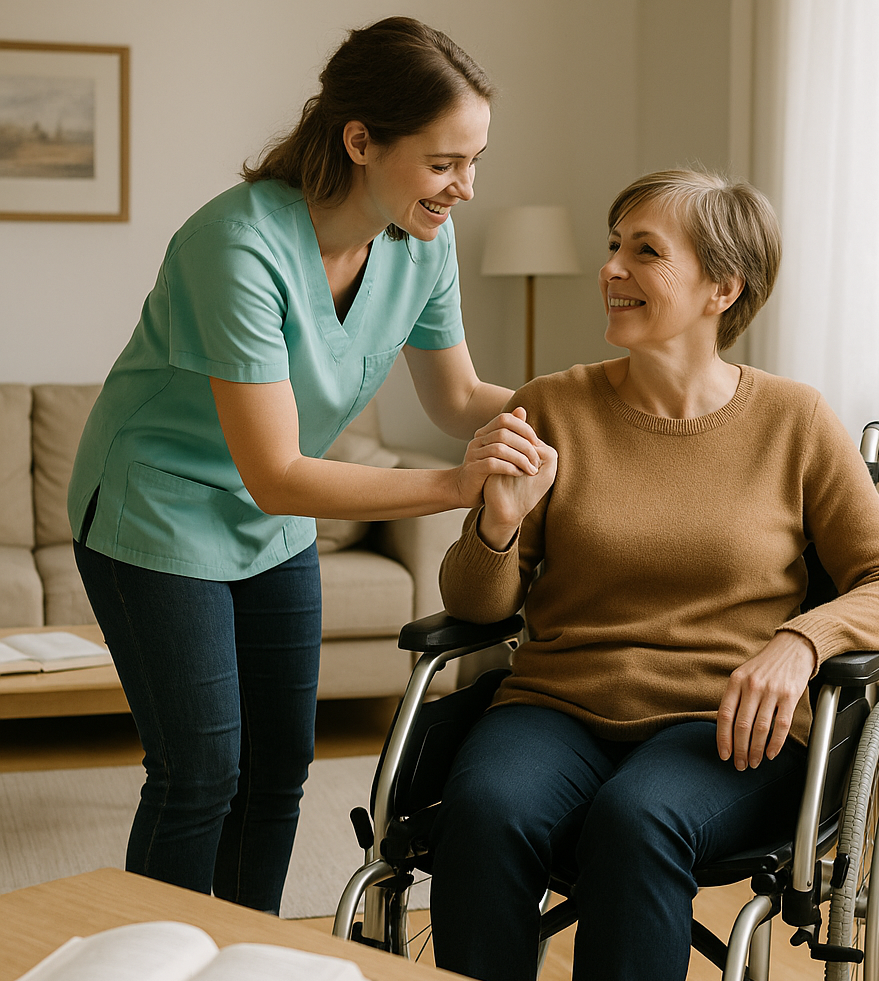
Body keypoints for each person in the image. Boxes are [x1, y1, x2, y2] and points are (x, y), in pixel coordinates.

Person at [428, 169, 879, 981]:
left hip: (725, 724)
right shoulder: (551, 406)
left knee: (637, 820)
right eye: (613, 246)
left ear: (721, 287)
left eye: (645, 251)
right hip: (556, 706)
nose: (611, 269)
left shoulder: (794, 420)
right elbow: (476, 607)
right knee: (483, 809)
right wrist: (499, 526)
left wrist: (801, 641)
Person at [67, 16, 543, 915]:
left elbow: (455, 397)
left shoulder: (422, 241)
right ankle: (152, 965)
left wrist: (587, 407)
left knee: (281, 766)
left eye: (474, 161)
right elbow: (278, 473)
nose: (466, 187)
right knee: (201, 770)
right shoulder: (236, 245)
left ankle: (246, 955)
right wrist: (455, 486)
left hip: (273, 520)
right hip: (157, 508)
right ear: (361, 141)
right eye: (445, 163)